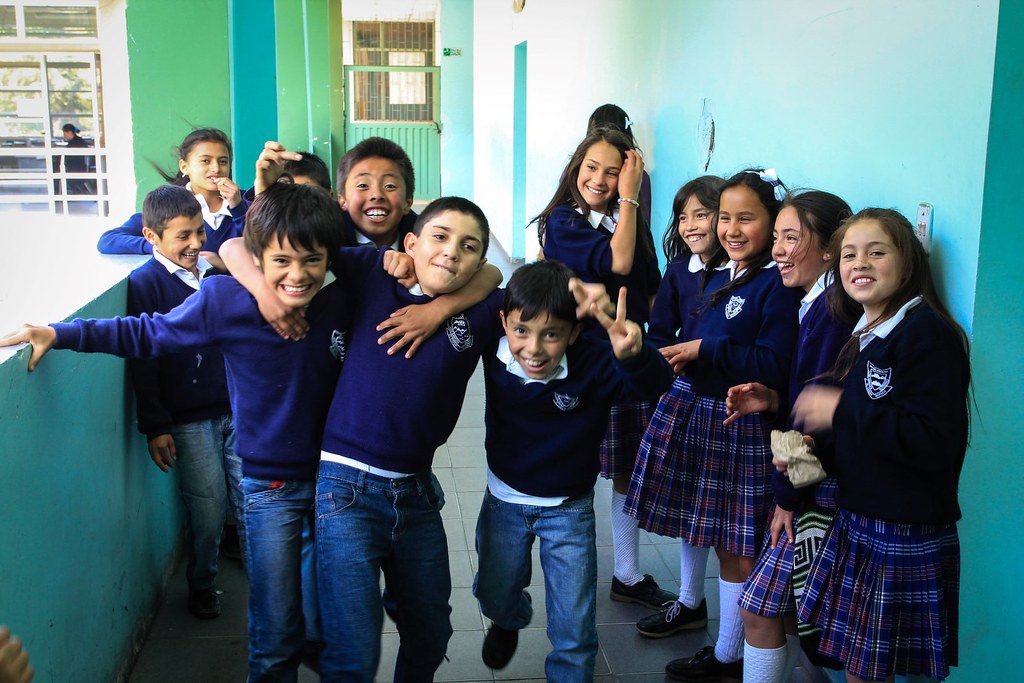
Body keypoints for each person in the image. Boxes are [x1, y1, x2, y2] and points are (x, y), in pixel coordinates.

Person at [2, 182, 359, 682]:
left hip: (339, 484)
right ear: (259, 258)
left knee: (335, 616)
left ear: (330, 257)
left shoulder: (346, 297)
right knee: (275, 629)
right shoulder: (227, 301)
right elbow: (146, 332)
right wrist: (61, 333)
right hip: (270, 489)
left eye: (312, 261)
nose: (296, 275)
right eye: (281, 261)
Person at [626, 169, 803, 681]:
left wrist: (706, 348)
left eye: (745, 218)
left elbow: (773, 363)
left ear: (770, 225)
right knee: (715, 537)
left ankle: (732, 655)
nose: (730, 228)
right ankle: (726, 650)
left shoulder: (774, 284)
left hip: (739, 426)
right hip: (699, 413)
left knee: (738, 549)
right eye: (725, 217)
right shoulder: (722, 275)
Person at [790, 208, 970, 683]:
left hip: (902, 533)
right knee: (860, 670)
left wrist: (839, 412)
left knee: (868, 674)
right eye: (849, 254)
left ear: (907, 263)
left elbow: (930, 439)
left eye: (876, 251)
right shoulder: (865, 335)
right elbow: (863, 431)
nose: (859, 263)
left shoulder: (926, 335)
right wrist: (810, 448)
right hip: (862, 521)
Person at [474, 260, 673, 679]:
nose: (533, 349)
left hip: (569, 510)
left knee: (575, 630)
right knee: (496, 594)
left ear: (575, 332)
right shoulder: (494, 345)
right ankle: (507, 619)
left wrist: (635, 355)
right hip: (504, 502)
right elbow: (474, 286)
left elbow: (652, 385)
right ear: (503, 323)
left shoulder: (595, 361)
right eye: (521, 331)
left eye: (551, 335)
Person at [719, 190, 854, 681]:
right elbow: (811, 398)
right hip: (811, 487)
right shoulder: (814, 306)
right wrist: (775, 400)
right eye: (776, 236)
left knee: (760, 608)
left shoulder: (832, 317)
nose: (776, 249)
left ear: (828, 250)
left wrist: (786, 500)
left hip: (815, 490)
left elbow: (816, 425)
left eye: (791, 237)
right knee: (781, 613)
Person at [534, 126, 670, 610]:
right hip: (583, 363)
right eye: (591, 166)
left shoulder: (623, 218)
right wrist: (631, 199)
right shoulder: (563, 221)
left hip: (626, 360)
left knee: (626, 469)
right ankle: (565, 566)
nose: (600, 179)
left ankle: (627, 573)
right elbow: (619, 262)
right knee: (580, 466)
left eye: (614, 173)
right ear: (575, 168)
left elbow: (650, 282)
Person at [633, 175, 726, 639]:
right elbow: (658, 331)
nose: (691, 225)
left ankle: (736, 637)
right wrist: (665, 356)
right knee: (694, 510)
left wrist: (698, 350)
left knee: (721, 518)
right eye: (683, 216)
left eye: (702, 214)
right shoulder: (678, 271)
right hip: (685, 398)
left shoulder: (745, 273)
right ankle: (690, 601)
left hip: (727, 406)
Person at [96, 128, 247, 260]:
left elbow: (260, 249)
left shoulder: (244, 201)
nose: (216, 168)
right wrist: (160, 247)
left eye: (223, 161)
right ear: (184, 166)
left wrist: (238, 209)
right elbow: (108, 241)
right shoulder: (170, 205)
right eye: (205, 161)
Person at [587, 104, 652, 227]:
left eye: (612, 173)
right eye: (591, 167)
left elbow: (642, 226)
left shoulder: (639, 177)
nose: (598, 181)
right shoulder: (575, 172)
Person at [57, 123, 95, 195]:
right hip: (80, 166)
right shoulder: (78, 140)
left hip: (76, 168)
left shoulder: (74, 143)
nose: (64, 135)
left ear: (70, 133)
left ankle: (57, 193)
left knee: (56, 168)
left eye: (64, 133)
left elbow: (69, 157)